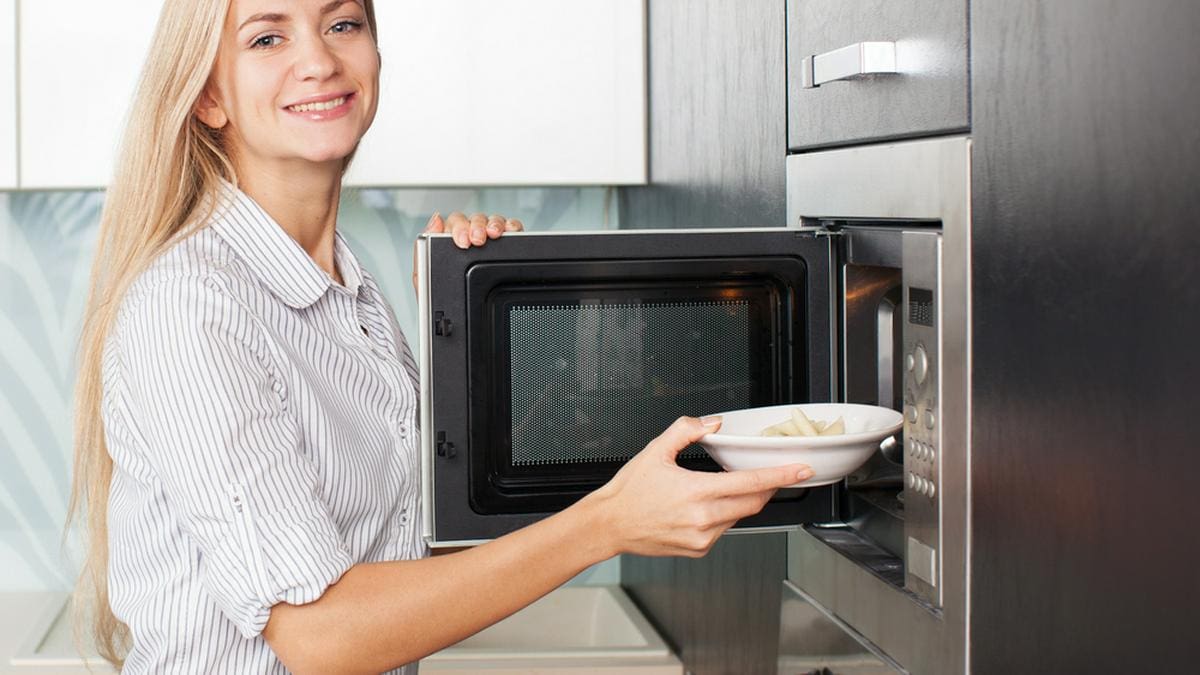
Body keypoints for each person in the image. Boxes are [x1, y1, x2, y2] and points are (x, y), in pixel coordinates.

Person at [69, 1, 815, 672]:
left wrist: (476, 340)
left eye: (342, 24)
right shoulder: (193, 304)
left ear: (375, 52)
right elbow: (321, 632)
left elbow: (416, 544)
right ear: (207, 94)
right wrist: (608, 522)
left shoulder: (347, 287)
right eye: (268, 37)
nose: (319, 59)